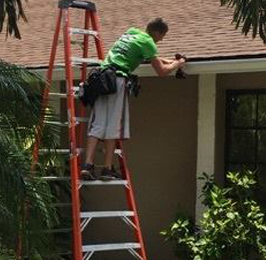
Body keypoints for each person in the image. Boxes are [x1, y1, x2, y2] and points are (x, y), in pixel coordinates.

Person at [80, 18, 186, 181]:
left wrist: (170, 60)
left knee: (98, 124)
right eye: (163, 36)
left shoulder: (132, 33)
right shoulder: (149, 43)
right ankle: (107, 169)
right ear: (158, 32)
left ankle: (87, 165)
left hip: (101, 78)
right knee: (113, 125)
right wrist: (178, 63)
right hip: (118, 80)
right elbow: (162, 71)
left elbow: (150, 57)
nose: (162, 39)